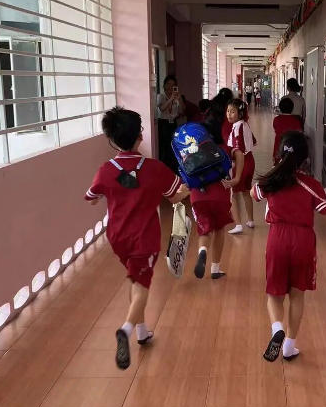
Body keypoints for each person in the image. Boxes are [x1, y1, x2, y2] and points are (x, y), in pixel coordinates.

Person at [85, 107, 189, 369]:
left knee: (134, 278)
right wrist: (189, 189)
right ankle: (126, 329)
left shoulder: (106, 169)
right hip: (144, 237)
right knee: (141, 285)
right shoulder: (154, 168)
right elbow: (175, 196)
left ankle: (142, 331)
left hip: (117, 238)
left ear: (112, 139)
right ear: (140, 136)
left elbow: (91, 197)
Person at [251, 130, 326, 362]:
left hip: (277, 238)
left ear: (279, 153)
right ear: (305, 158)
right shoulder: (312, 185)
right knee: (297, 295)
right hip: (303, 241)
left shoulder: (271, 181)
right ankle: (289, 347)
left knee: (274, 294)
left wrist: (271, 176)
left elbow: (254, 194)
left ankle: (277, 329)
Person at [223, 98, 256, 234]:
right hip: (250, 160)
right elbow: (253, 141)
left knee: (232, 193)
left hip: (241, 162)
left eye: (232, 111)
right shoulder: (245, 124)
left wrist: (236, 175)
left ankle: (238, 224)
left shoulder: (237, 127)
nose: (229, 114)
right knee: (246, 191)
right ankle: (250, 220)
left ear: (240, 113)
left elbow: (239, 150)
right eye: (228, 111)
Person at [191, 178, 232, 281]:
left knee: (204, 230)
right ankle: (215, 269)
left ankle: (202, 250)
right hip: (220, 192)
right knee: (219, 228)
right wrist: (236, 179)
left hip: (198, 194)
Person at [156, 75, 182, 171]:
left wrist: (179, 99)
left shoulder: (177, 97)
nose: (170, 86)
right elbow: (162, 109)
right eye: (168, 84)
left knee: (173, 146)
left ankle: (172, 168)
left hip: (173, 123)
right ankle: (163, 167)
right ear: (164, 85)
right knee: (163, 146)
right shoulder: (161, 96)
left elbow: (182, 111)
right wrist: (171, 98)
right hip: (163, 123)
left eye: (173, 85)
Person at [273, 96, 302, 162]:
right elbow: (299, 132)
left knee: (279, 164)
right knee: (292, 163)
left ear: (280, 108)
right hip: (293, 146)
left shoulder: (277, 119)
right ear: (292, 108)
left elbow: (275, 128)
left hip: (279, 146)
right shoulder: (296, 120)